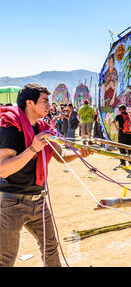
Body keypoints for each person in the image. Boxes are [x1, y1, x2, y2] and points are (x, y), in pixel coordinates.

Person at [0, 83, 92, 267]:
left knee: (51, 248)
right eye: (45, 101)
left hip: (39, 200)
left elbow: (60, 156)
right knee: (5, 258)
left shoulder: (44, 128)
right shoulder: (10, 127)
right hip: (13, 202)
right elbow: (3, 169)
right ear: (29, 103)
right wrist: (33, 148)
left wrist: (80, 153)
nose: (49, 105)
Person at [113, 105, 131, 170]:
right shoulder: (130, 115)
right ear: (125, 109)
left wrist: (117, 128)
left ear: (120, 109)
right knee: (129, 148)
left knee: (121, 148)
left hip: (122, 133)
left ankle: (123, 163)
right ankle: (130, 162)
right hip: (129, 134)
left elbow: (113, 121)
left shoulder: (119, 116)